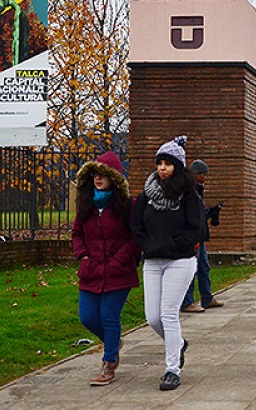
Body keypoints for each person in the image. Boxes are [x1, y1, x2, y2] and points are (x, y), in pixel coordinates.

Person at [132, 136, 203, 391]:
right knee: (152, 317)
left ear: (178, 167)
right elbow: (137, 226)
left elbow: (196, 230)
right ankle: (179, 344)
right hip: (153, 260)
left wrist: (173, 245)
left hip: (180, 260)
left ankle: (172, 369)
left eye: (168, 164)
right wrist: (147, 246)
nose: (162, 168)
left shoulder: (188, 196)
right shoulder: (146, 195)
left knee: (168, 314)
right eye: (159, 163)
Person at [72, 151, 139, 387]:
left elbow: (135, 238)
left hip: (118, 271)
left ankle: (109, 363)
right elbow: (77, 234)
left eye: (103, 175)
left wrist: (119, 260)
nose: (98, 179)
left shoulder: (127, 206)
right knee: (88, 317)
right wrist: (84, 255)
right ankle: (114, 342)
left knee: (109, 316)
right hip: (91, 270)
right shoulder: (86, 204)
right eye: (94, 175)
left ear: (115, 177)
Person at [180, 159, 224, 313]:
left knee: (204, 266)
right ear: (195, 175)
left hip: (200, 235)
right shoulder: (189, 191)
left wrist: (209, 213)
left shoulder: (198, 190)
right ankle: (187, 301)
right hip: (193, 236)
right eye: (203, 175)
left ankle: (206, 297)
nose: (205, 178)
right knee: (192, 268)